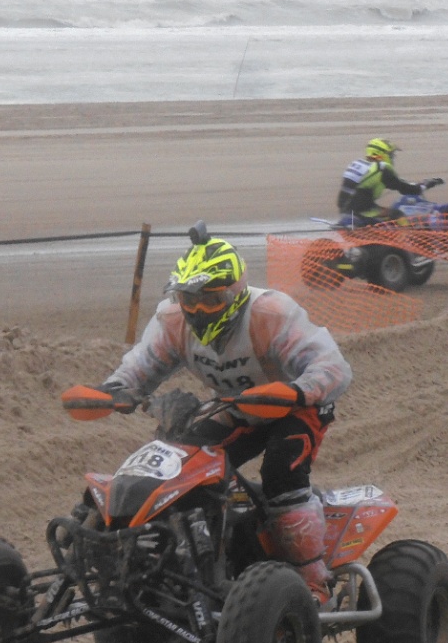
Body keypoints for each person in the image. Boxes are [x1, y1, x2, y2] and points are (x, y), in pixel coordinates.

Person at [98, 223, 352, 604]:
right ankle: (194, 562)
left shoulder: (270, 312)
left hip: (297, 407)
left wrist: (296, 390)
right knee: (178, 460)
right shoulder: (173, 320)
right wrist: (116, 389)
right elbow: (141, 366)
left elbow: (334, 368)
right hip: (238, 409)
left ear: (234, 294)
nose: (199, 310)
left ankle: (312, 581)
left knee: (282, 473)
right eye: (190, 299)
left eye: (211, 300)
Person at [337, 138, 443, 222]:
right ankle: (404, 246)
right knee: (398, 214)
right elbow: (406, 189)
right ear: (381, 154)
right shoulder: (382, 168)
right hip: (362, 211)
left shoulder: (357, 164)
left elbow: (392, 182)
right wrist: (426, 185)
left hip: (344, 209)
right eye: (391, 155)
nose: (392, 158)